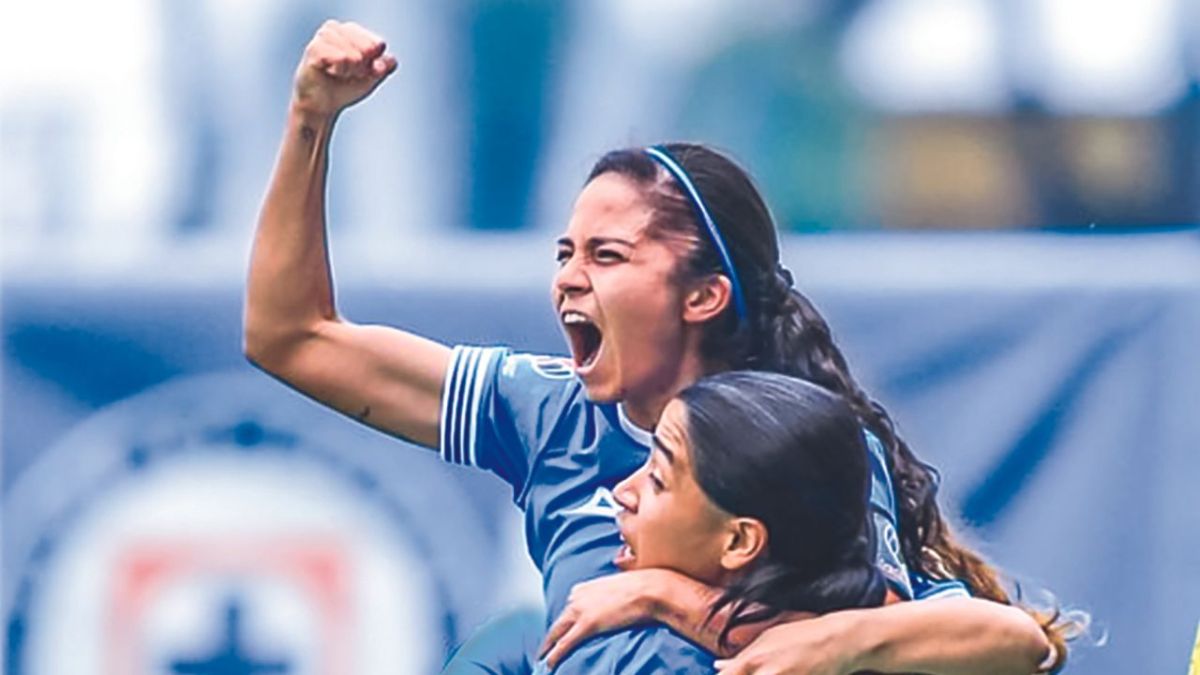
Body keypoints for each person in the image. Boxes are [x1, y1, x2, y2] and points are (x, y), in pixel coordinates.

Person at [244, 20, 1059, 673]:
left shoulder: (784, 444)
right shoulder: (543, 407)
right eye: (565, 253)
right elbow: (292, 336)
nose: (568, 279)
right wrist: (312, 118)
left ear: (703, 295)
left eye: (607, 256)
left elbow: (1005, 643)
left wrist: (679, 602)